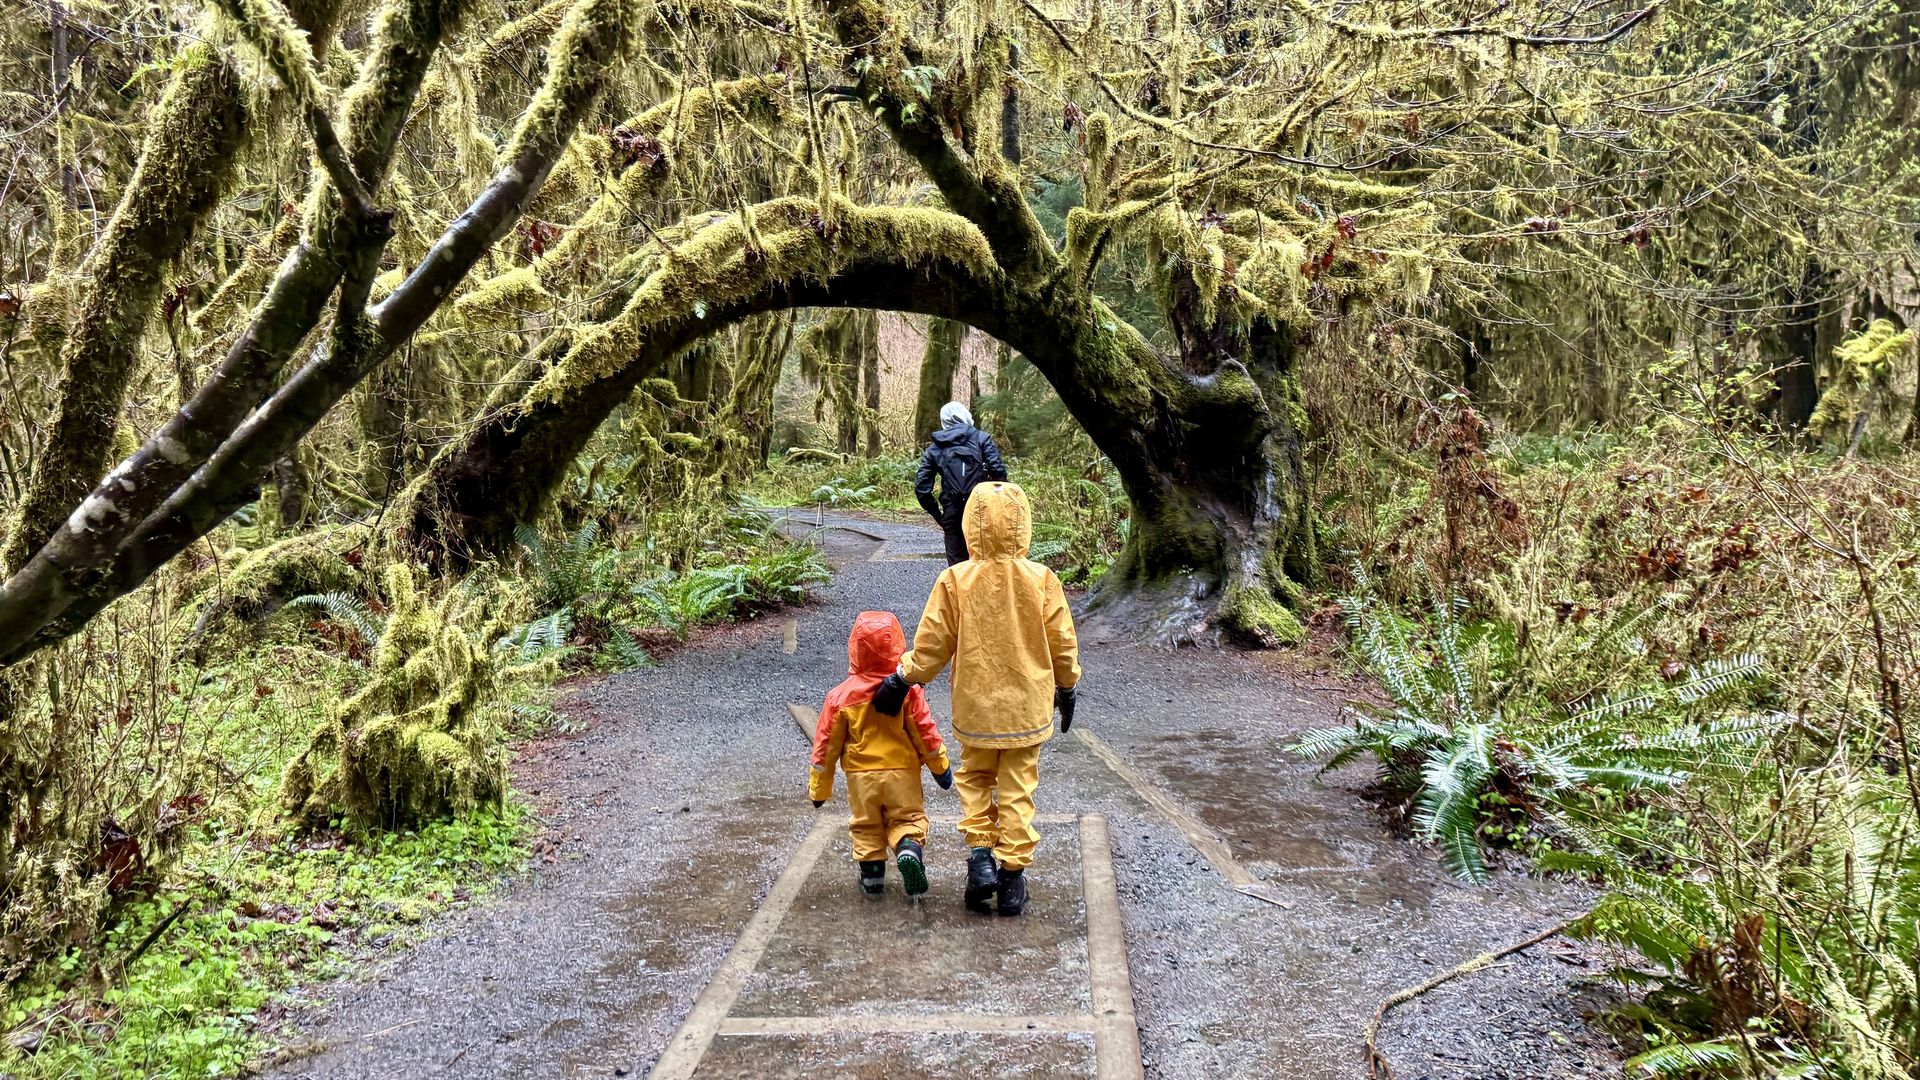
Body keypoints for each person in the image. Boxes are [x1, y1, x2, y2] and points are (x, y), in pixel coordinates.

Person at [871, 482, 1080, 916]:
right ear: (1023, 525)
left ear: (970, 525)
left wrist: (901, 677)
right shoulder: (1042, 579)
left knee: (976, 781)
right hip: (1027, 708)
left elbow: (931, 647)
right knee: (1019, 790)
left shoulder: (955, 580)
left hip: (976, 708)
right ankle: (1012, 879)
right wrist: (1067, 685)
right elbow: (1062, 643)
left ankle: (981, 859)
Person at [810, 610, 954, 897]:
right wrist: (941, 768)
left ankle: (872, 878)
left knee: (866, 826)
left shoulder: (839, 697)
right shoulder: (907, 691)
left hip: (861, 779)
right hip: (902, 774)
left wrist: (819, 790)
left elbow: (825, 747)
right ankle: (909, 849)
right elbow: (925, 732)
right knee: (908, 820)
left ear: (855, 648)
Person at [914, 401, 1008, 565]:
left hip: (952, 510)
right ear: (966, 415)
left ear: (944, 421)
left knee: (957, 566)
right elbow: (998, 473)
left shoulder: (936, 447)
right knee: (986, 560)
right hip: (983, 508)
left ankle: (958, 591)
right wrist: (999, 506)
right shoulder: (981, 438)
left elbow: (922, 489)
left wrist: (940, 518)